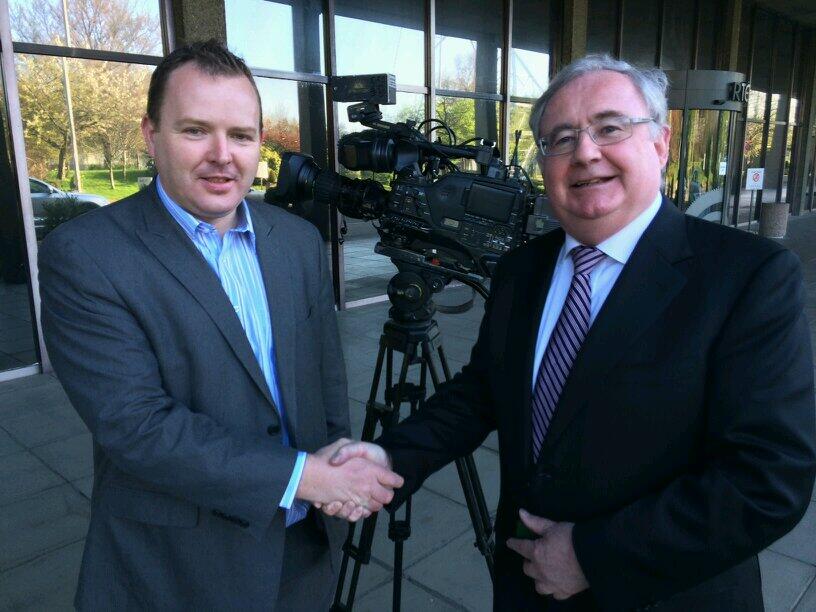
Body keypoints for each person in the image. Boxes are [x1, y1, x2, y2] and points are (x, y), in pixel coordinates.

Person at [327, 55, 816, 610]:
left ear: (661, 143)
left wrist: (594, 554)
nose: (585, 152)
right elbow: (486, 389)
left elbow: (767, 481)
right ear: (544, 163)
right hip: (526, 586)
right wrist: (391, 459)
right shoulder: (522, 269)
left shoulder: (748, 277)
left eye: (609, 127)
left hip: (662, 594)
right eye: (560, 138)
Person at [38, 40, 402, 611]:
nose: (222, 155)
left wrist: (339, 459)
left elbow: (324, 378)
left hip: (303, 548)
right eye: (194, 131)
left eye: (241, 135)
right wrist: (305, 476)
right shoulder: (86, 255)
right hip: (177, 567)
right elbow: (136, 427)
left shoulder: (298, 241)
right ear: (150, 134)